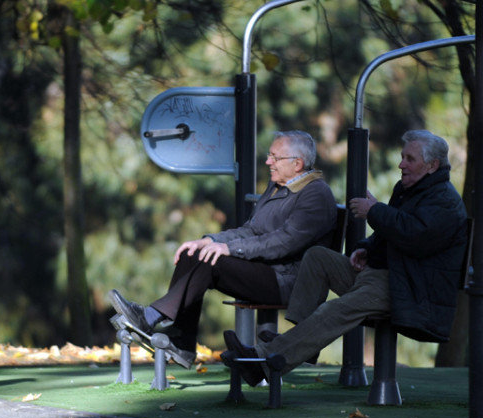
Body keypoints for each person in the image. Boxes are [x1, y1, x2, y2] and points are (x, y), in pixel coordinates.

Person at [223, 130, 468, 386]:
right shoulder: (409, 190)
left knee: (335, 309)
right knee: (318, 257)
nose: (401, 164)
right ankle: (303, 341)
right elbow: (390, 235)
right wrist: (366, 248)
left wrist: (375, 211)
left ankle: (261, 362)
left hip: (408, 288)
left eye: (410, 159)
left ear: (432, 166)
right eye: (402, 157)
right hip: (386, 275)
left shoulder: (444, 201)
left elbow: (416, 236)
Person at [109, 130, 337, 368]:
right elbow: (252, 230)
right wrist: (209, 241)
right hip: (267, 270)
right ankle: (181, 341)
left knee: (212, 259)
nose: (268, 162)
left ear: (297, 163)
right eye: (269, 156)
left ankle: (150, 318)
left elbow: (284, 242)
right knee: (196, 252)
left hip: (289, 282)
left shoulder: (315, 194)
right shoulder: (279, 186)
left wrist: (229, 249)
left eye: (275, 158)